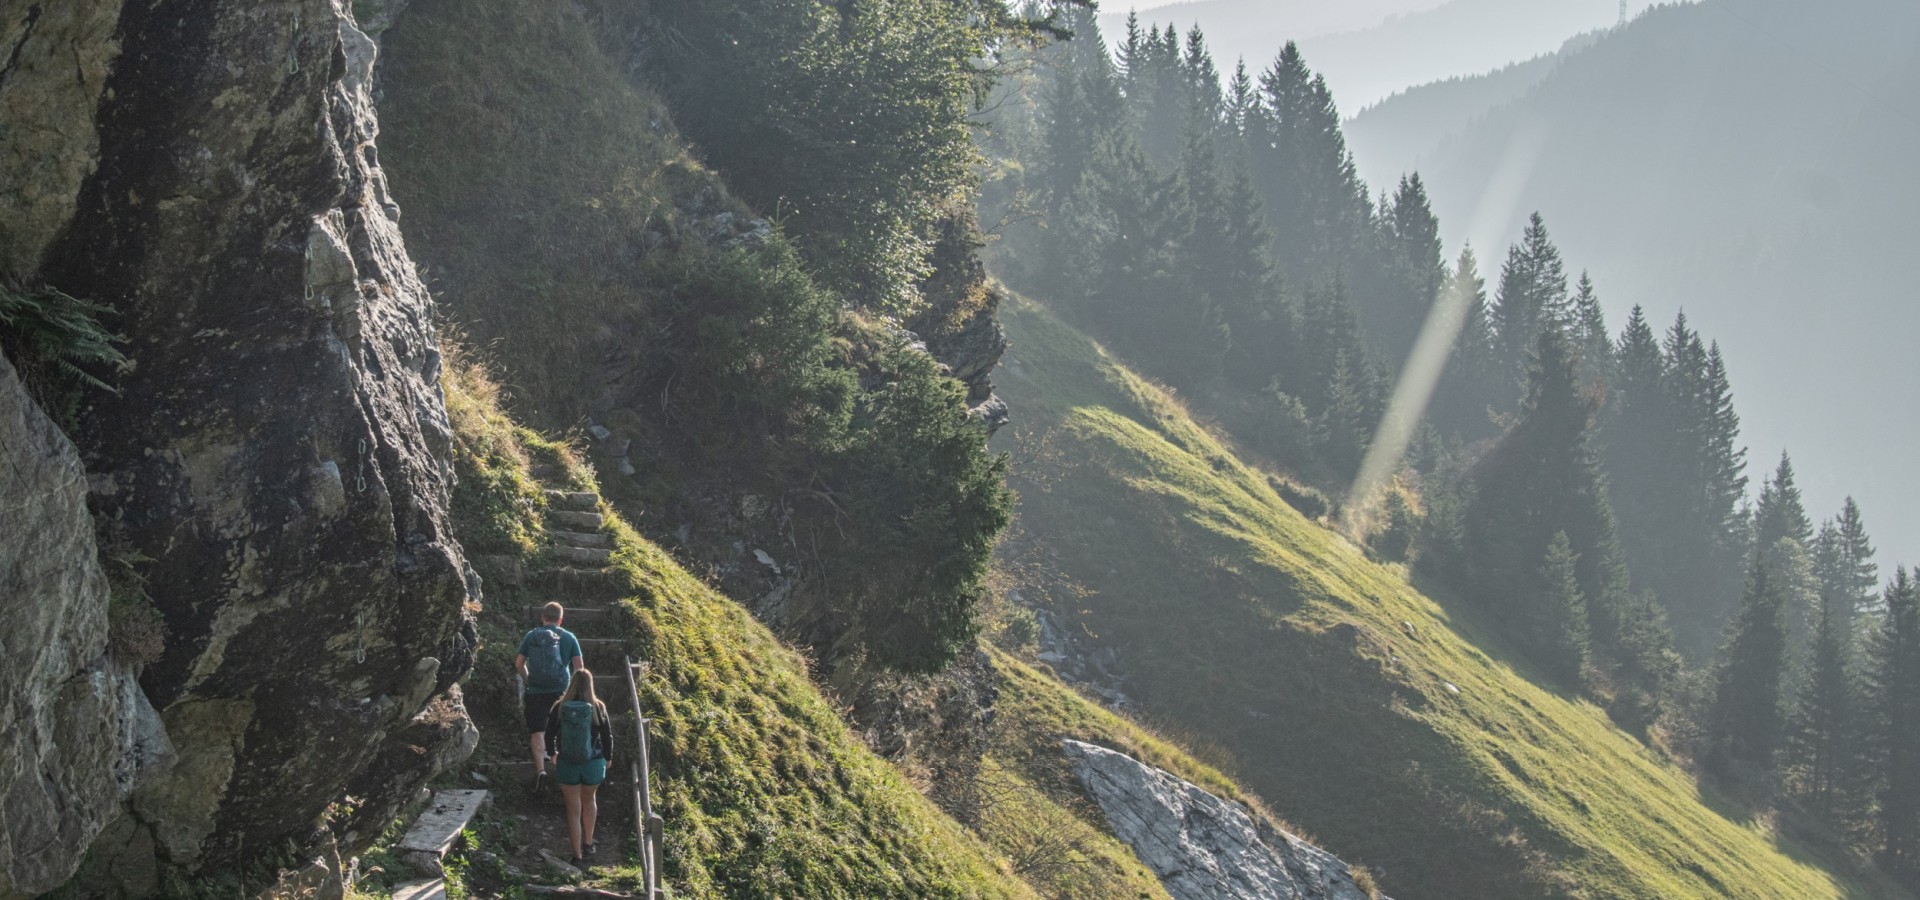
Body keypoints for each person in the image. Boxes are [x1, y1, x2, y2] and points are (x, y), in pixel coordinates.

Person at [544, 668, 614, 867]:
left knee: (572, 810)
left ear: (571, 682)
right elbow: (607, 735)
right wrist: (608, 758)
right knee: (589, 799)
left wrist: (553, 753)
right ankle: (589, 843)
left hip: (568, 764)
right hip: (593, 763)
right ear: (590, 684)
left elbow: (548, 733)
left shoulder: (560, 706)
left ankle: (577, 856)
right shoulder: (598, 706)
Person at [516, 601, 583, 793]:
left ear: (542, 617)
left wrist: (529, 681)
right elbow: (579, 668)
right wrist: (575, 691)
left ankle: (541, 771)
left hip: (536, 691)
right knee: (561, 727)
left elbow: (519, 664)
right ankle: (562, 768)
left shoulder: (532, 636)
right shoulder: (569, 637)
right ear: (560, 619)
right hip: (561, 690)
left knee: (537, 731)